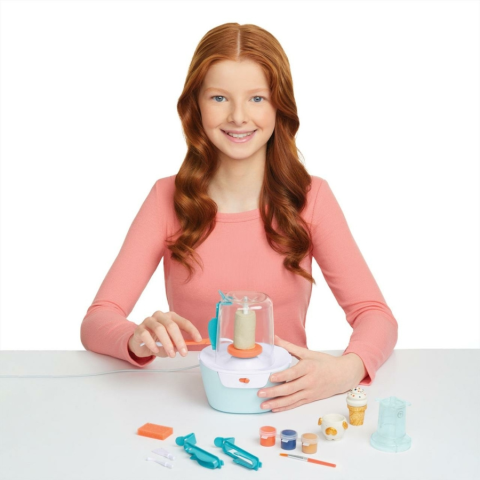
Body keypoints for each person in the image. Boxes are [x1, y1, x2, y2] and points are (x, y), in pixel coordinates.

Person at [81, 23, 398, 413]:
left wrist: (346, 371)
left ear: (279, 105)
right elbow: (97, 320)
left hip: (286, 403)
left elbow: (375, 315)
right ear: (196, 105)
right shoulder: (166, 198)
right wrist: (136, 338)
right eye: (219, 97)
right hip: (192, 403)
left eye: (257, 98)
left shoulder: (311, 197)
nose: (237, 116)